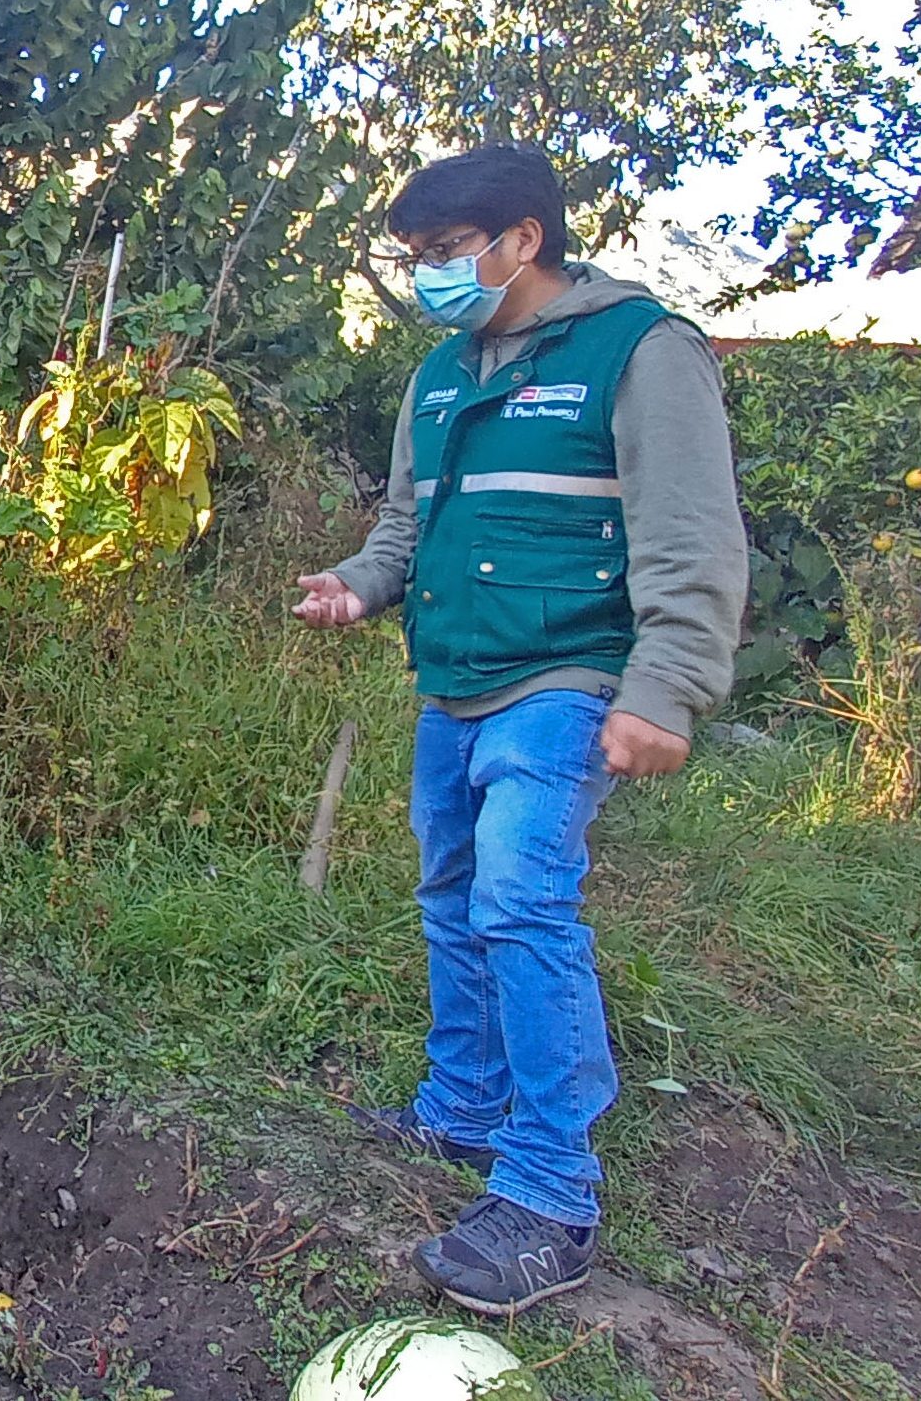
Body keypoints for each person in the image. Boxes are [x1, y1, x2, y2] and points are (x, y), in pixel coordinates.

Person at [294, 145, 746, 1314]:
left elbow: (692, 533)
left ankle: (549, 1191)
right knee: (448, 890)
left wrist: (666, 685)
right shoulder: (440, 376)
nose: (428, 279)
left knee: (516, 896)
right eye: (418, 261)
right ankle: (463, 1104)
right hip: (451, 676)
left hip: (565, 676)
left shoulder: (640, 351)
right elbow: (406, 524)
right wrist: (357, 583)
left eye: (444, 255)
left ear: (521, 240)